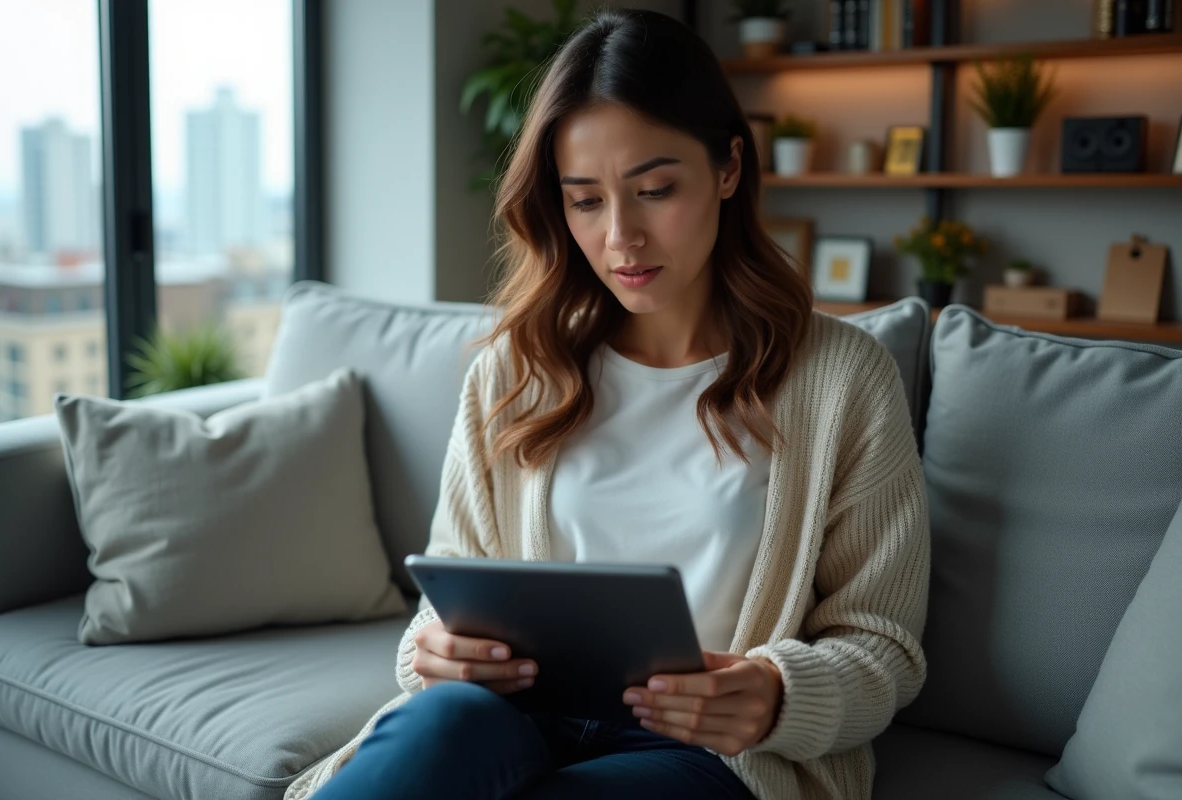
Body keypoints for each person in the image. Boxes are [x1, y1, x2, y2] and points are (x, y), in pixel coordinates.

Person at [290, 8, 929, 800]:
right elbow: (447, 600)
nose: (621, 235)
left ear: (729, 168)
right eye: (585, 200)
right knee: (437, 728)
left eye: (655, 189)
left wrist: (776, 694)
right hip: (515, 719)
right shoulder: (514, 371)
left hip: (709, 758)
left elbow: (884, 644)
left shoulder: (843, 380)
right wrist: (435, 649)